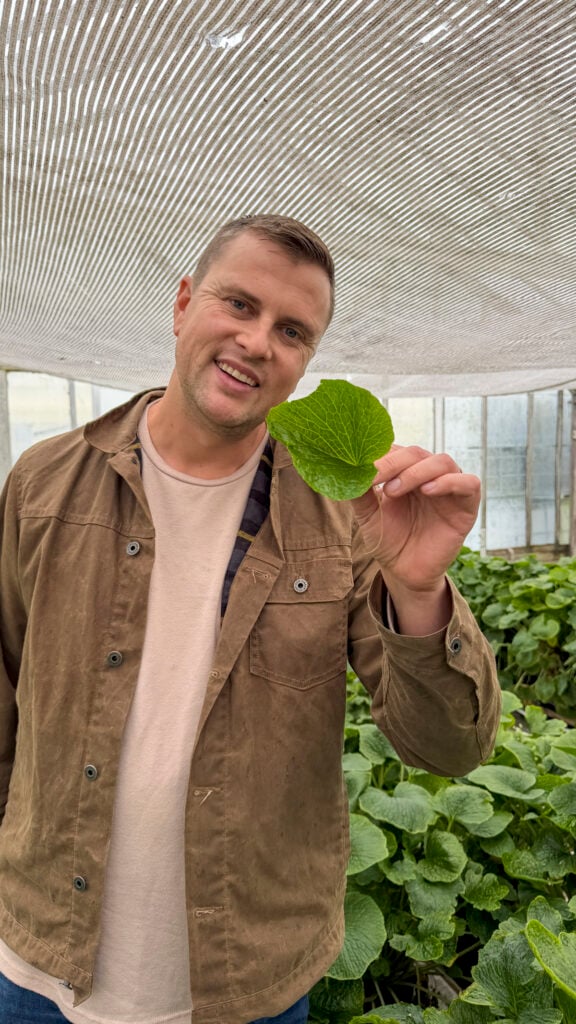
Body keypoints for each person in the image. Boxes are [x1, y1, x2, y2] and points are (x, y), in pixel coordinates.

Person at [0, 215, 501, 1024]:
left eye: (293, 330)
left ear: (307, 360)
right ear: (184, 303)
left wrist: (417, 591)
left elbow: (447, 747)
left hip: (245, 981)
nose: (258, 341)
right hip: (36, 964)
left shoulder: (344, 519)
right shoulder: (46, 484)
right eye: (239, 304)